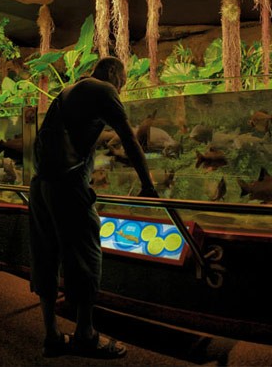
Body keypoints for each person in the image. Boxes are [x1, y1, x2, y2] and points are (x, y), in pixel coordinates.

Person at [29, 56, 158, 359]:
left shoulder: (69, 91)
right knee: (86, 256)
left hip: (41, 185)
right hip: (67, 187)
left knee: (46, 257)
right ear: (112, 72)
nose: (121, 89)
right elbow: (130, 139)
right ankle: (85, 335)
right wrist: (148, 185)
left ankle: (52, 336)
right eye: (122, 82)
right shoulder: (103, 89)